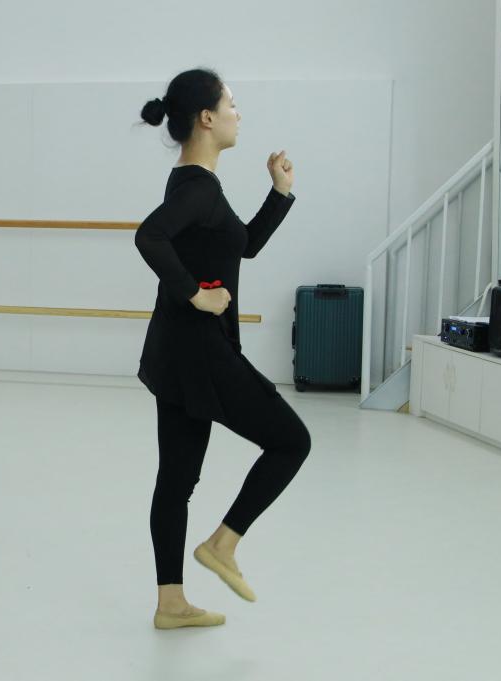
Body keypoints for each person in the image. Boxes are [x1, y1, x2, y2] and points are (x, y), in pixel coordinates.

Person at [136, 70, 311, 629]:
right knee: (291, 441)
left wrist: (279, 193)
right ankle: (222, 545)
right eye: (232, 104)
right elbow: (148, 236)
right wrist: (196, 294)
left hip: (175, 353)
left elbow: (245, 245)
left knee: (176, 480)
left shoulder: (195, 183)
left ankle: (170, 603)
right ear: (207, 118)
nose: (239, 113)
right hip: (201, 353)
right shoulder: (198, 189)